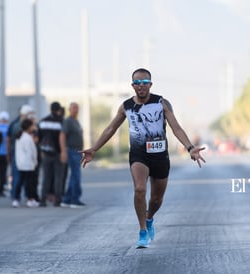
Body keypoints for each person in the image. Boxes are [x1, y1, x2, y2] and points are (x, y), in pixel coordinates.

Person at [80, 68, 206, 248]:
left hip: (160, 155)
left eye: (145, 83)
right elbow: (111, 129)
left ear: (150, 85)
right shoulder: (126, 106)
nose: (141, 86)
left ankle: (149, 218)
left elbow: (176, 128)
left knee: (156, 200)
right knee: (139, 189)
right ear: (132, 85)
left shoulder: (162, 103)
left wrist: (190, 148)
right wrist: (94, 148)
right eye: (137, 83)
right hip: (139, 154)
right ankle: (142, 232)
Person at [38, 102, 67, 207]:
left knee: (46, 177)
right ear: (59, 110)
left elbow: (39, 138)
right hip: (58, 153)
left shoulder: (43, 122)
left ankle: (42, 200)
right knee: (58, 177)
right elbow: (64, 138)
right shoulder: (61, 122)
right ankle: (57, 200)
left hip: (45, 153)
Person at [61, 102, 85, 208]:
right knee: (76, 175)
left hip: (78, 152)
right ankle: (74, 199)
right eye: (74, 108)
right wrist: (63, 151)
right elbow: (62, 135)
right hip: (71, 151)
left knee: (73, 176)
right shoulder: (68, 121)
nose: (76, 110)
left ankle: (66, 199)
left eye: (77, 108)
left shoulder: (76, 121)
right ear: (69, 109)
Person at [12, 118, 39, 208]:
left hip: (20, 163)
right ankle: (30, 199)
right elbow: (31, 152)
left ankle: (16, 199)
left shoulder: (19, 137)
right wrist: (34, 161)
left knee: (19, 182)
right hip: (28, 164)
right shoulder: (28, 138)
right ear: (29, 127)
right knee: (29, 183)